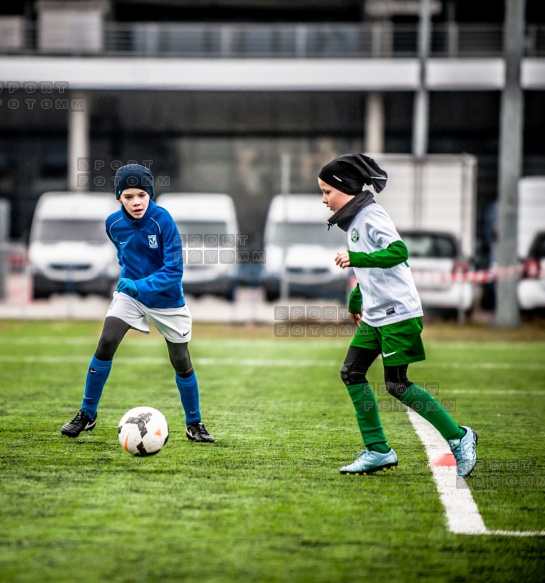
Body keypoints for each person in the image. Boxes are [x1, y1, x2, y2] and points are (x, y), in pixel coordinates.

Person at [318, 153, 477, 477]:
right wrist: (356, 298)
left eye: (326, 192)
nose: (324, 200)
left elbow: (397, 253)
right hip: (376, 315)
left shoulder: (372, 217)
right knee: (351, 373)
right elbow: (372, 271)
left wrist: (356, 257)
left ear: (345, 188)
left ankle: (460, 437)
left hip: (398, 314)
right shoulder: (355, 221)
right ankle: (378, 450)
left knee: (397, 385)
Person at [61, 163, 214, 443]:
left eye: (142, 195)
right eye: (128, 196)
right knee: (106, 341)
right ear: (119, 197)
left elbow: (173, 271)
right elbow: (125, 254)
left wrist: (139, 284)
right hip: (130, 296)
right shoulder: (112, 224)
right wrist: (130, 283)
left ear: (150, 195)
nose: (136, 202)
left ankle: (194, 423)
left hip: (167, 301)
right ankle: (87, 414)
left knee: (181, 361)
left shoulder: (163, 221)